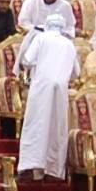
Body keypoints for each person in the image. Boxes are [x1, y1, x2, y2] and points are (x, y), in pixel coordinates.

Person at [16, 15, 79, 181]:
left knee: (36, 125)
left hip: (41, 89)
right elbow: (76, 73)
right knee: (57, 128)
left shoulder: (41, 38)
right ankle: (54, 171)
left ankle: (29, 168)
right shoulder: (69, 44)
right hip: (61, 91)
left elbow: (27, 60)